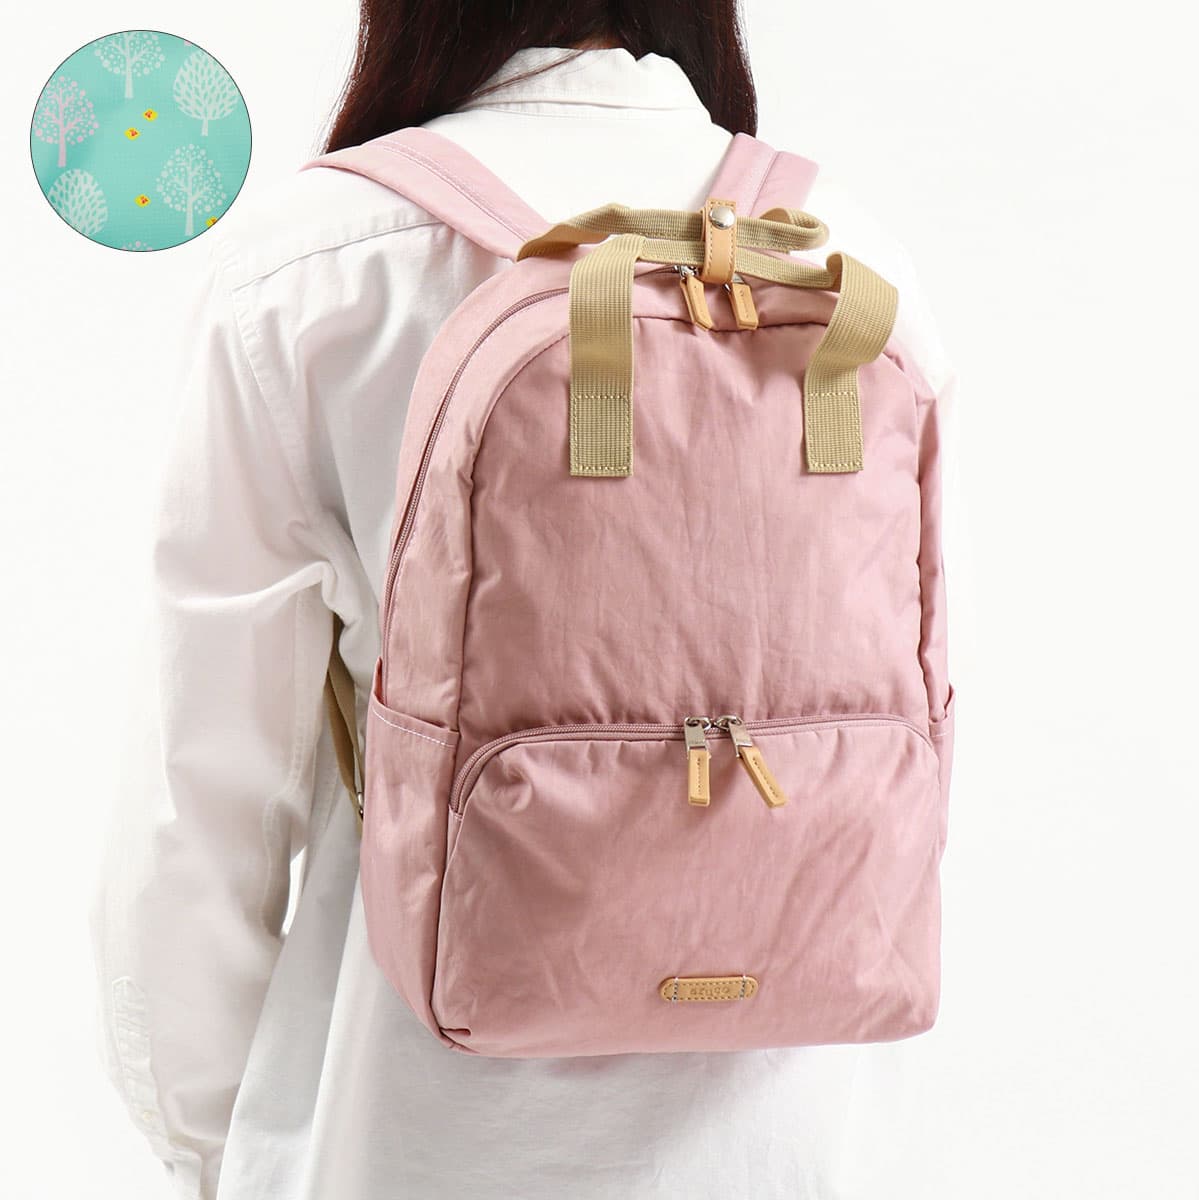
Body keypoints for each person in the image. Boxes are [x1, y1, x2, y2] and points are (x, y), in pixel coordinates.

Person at [90, 5, 957, 1198]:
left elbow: (203, 795)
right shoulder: (849, 260)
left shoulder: (317, 264)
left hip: (406, 1137)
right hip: (808, 1142)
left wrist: (213, 1145)